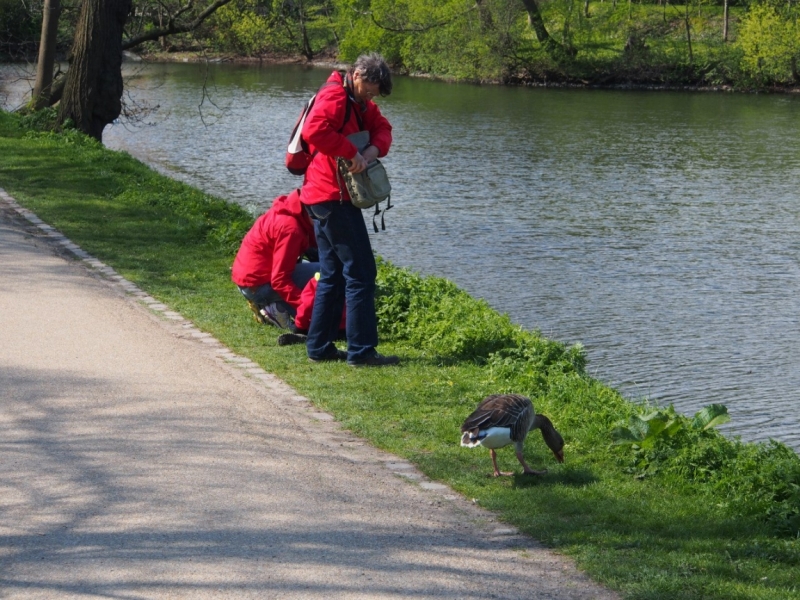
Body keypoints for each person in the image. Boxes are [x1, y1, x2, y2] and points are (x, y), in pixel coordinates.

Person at [299, 53, 399, 367]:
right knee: (361, 272)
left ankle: (319, 346)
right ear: (357, 74)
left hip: (322, 197)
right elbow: (313, 132)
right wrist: (350, 151)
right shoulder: (335, 96)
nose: (373, 94)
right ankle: (362, 351)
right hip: (332, 198)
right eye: (371, 86)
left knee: (333, 275)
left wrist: (369, 151)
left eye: (377, 90)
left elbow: (384, 129)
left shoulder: (358, 102)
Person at [231, 189, 318, 329]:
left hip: (250, 283)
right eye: (320, 214)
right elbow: (280, 280)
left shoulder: (289, 210)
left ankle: (274, 307)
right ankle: (269, 304)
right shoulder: (291, 229)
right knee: (324, 272)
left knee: (314, 267)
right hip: (259, 287)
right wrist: (306, 304)